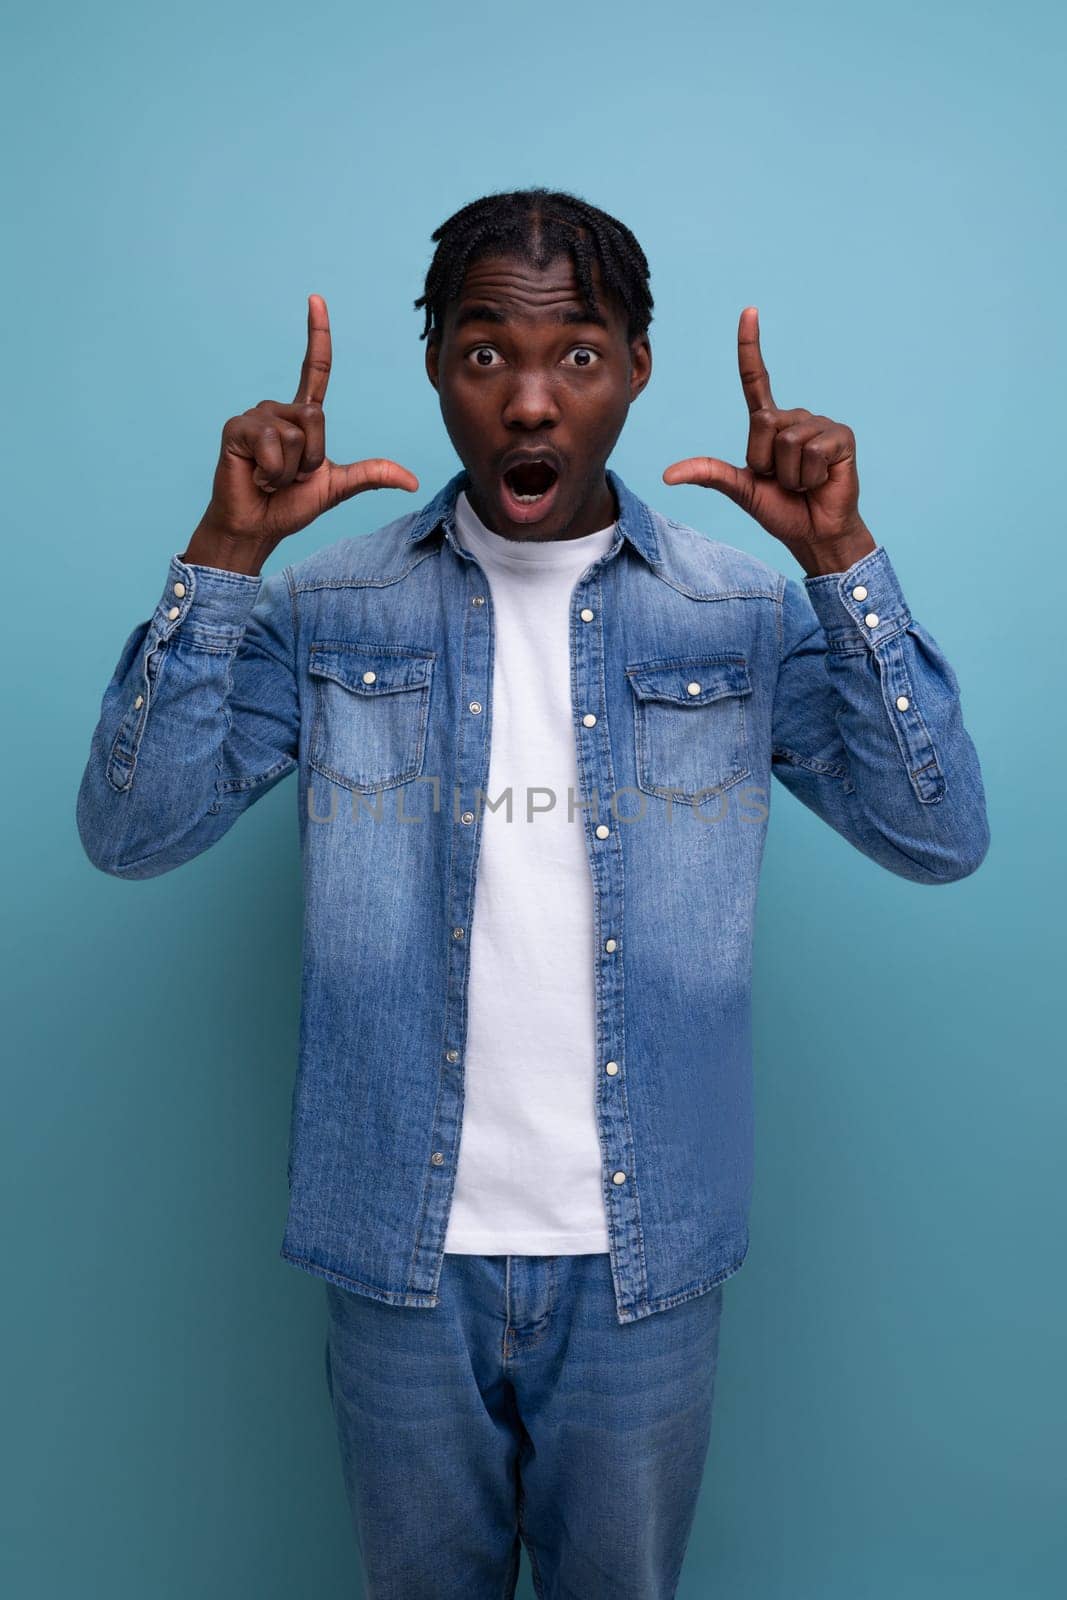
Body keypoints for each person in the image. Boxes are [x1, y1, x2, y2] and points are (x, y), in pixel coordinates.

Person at [75, 186, 990, 1599]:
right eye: (487, 352)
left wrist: (840, 566)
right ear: (438, 362)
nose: (531, 403)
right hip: (400, 1250)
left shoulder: (736, 615)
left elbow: (939, 836)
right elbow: (132, 832)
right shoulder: (332, 609)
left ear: (634, 368)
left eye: (577, 355)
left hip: (645, 1257)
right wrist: (228, 557)